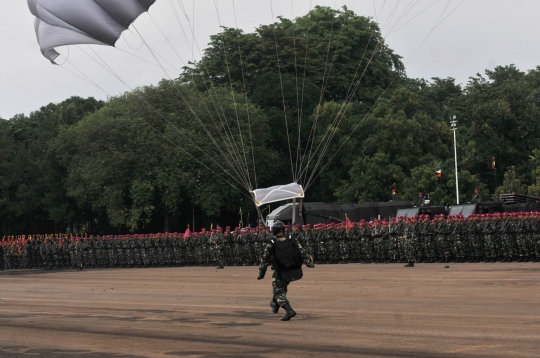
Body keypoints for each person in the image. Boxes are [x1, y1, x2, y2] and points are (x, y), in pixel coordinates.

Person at [257, 220, 315, 321]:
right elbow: (302, 250)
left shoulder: (271, 243)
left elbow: (264, 260)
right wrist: (309, 262)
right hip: (292, 269)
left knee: (278, 291)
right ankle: (275, 304)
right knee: (281, 288)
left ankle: (289, 310)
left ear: (274, 231)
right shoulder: (291, 238)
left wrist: (261, 274)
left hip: (280, 270)